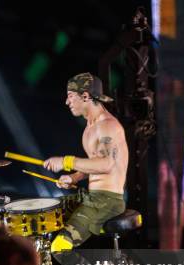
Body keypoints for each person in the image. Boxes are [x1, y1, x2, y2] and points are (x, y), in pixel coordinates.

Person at [44, 72, 128, 252]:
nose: (67, 102)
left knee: (59, 247)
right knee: (46, 217)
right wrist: (74, 178)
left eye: (70, 96)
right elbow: (94, 164)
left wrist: (67, 161)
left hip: (108, 200)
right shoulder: (90, 128)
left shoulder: (108, 126)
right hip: (93, 196)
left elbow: (106, 164)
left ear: (85, 96)